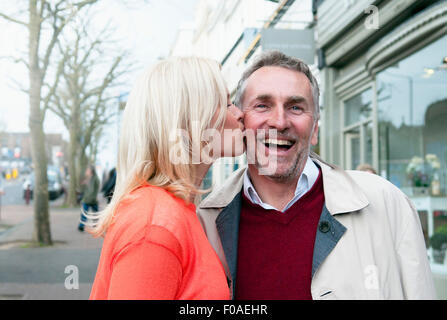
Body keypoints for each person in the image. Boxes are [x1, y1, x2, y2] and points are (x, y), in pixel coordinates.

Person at [197, 50, 436, 300]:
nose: (280, 122)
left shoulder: (386, 203)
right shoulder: (206, 222)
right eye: (262, 105)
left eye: (296, 107)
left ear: (315, 130)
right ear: (240, 121)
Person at [89, 56, 244, 300]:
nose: (239, 113)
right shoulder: (154, 226)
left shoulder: (177, 211)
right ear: (190, 120)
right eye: (226, 104)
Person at [78, 165, 100, 232]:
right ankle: (82, 226)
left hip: (91, 199)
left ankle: (95, 225)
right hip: (88, 198)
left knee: (94, 214)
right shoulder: (89, 178)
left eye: (87, 170)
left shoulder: (95, 179)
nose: (86, 171)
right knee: (88, 213)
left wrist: (91, 197)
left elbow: (93, 190)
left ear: (91, 171)